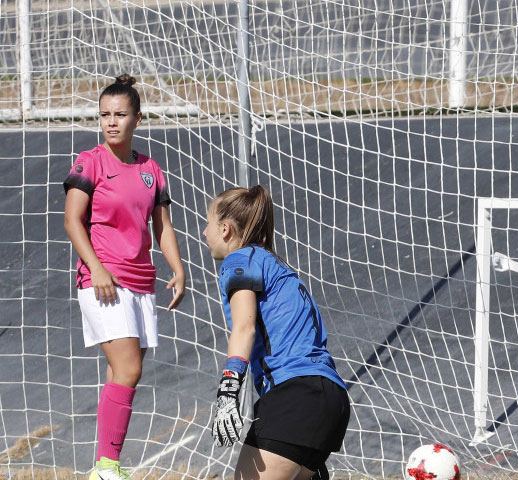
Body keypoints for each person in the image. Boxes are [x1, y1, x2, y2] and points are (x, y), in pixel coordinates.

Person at [63, 74, 186, 480]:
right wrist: (96, 268)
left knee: (122, 374)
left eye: (119, 114)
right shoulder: (90, 161)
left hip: (142, 282)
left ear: (137, 119)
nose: (111, 122)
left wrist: (178, 267)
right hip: (102, 281)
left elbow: (163, 226)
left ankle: (105, 465)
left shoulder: (151, 169)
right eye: (104, 115)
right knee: (129, 370)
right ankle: (107, 466)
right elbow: (72, 220)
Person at [204, 185, 350, 480]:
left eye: (207, 225)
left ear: (225, 229)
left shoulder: (239, 260)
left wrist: (228, 390)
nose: (204, 234)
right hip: (331, 397)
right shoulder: (277, 266)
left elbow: (244, 328)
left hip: (295, 395)